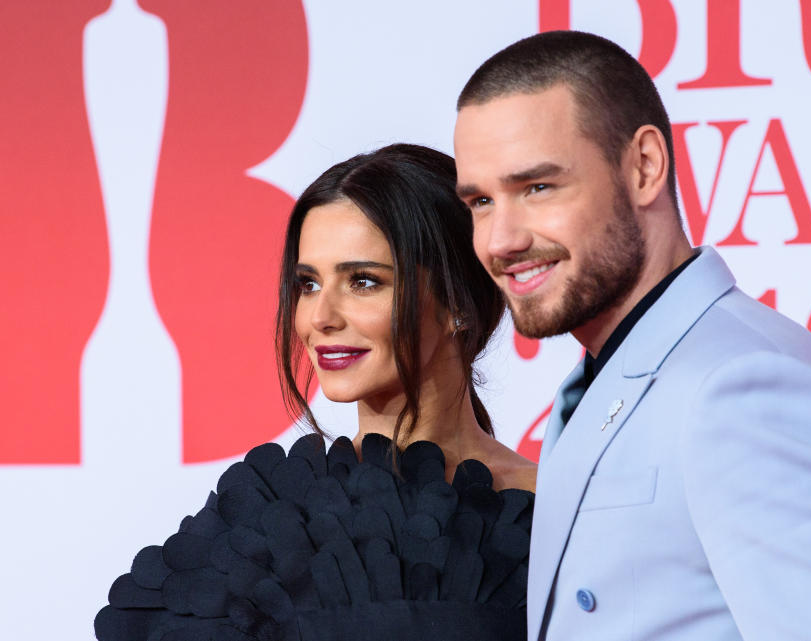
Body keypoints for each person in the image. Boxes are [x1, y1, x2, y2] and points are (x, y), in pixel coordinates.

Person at [453, 31, 811, 641]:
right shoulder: (606, 377)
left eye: (537, 187)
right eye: (479, 201)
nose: (500, 239)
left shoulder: (743, 385)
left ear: (645, 167)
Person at [95, 144, 537, 641]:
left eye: (363, 282)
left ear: (457, 301)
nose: (320, 317)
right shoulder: (268, 523)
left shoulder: (552, 509)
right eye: (308, 284)